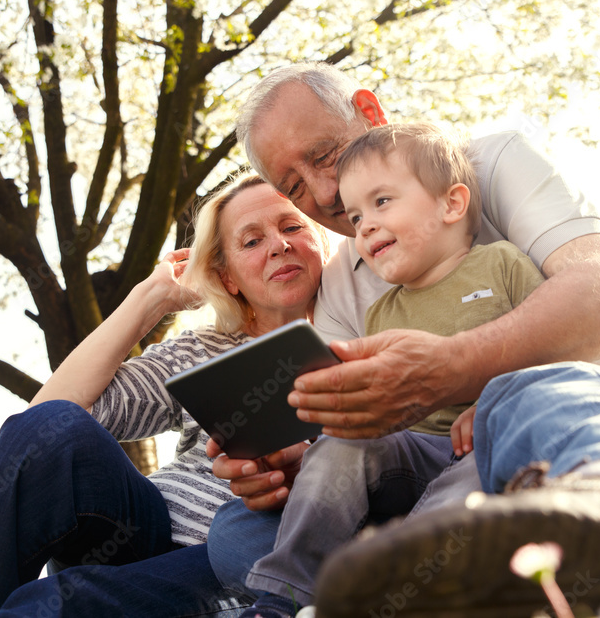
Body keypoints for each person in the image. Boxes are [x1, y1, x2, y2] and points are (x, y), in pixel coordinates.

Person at [207, 62, 600, 615]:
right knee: (237, 533)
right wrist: (290, 463)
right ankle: (450, 576)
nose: (325, 192)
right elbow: (366, 436)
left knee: (538, 394)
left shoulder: (489, 163)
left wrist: (454, 368)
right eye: (295, 187)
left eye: (324, 155)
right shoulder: (339, 286)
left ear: (369, 109)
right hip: (449, 466)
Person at [0, 173, 329, 618]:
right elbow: (47, 424)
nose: (278, 244)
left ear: (321, 242)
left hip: (230, 562)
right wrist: (149, 299)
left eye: (292, 227)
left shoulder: (373, 346)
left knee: (45, 607)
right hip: (142, 531)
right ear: (228, 278)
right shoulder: (204, 349)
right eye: (251, 241)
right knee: (53, 429)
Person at [234, 122, 546, 618]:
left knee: (477, 471)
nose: (365, 226)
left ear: (452, 204)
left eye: (382, 203)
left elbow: (551, 354)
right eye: (356, 217)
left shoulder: (503, 266)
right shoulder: (378, 315)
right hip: (412, 450)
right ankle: (282, 597)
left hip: (489, 444)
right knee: (341, 448)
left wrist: (496, 403)